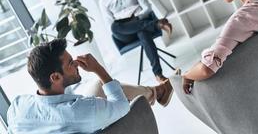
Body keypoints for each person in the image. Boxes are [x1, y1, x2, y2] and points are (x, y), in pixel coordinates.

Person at [7, 39, 173, 133]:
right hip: (93, 122)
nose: (77, 65)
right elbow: (122, 106)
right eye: (71, 63)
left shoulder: (18, 105)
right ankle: (156, 92)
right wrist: (98, 69)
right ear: (55, 76)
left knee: (95, 86)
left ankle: (156, 92)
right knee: (101, 84)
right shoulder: (79, 111)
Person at [99, 0, 172, 83]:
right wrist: (131, 22)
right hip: (123, 33)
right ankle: (157, 24)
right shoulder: (103, 1)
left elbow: (147, 8)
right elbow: (110, 25)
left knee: (142, 32)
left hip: (139, 21)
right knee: (115, 27)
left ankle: (158, 75)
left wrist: (136, 20)